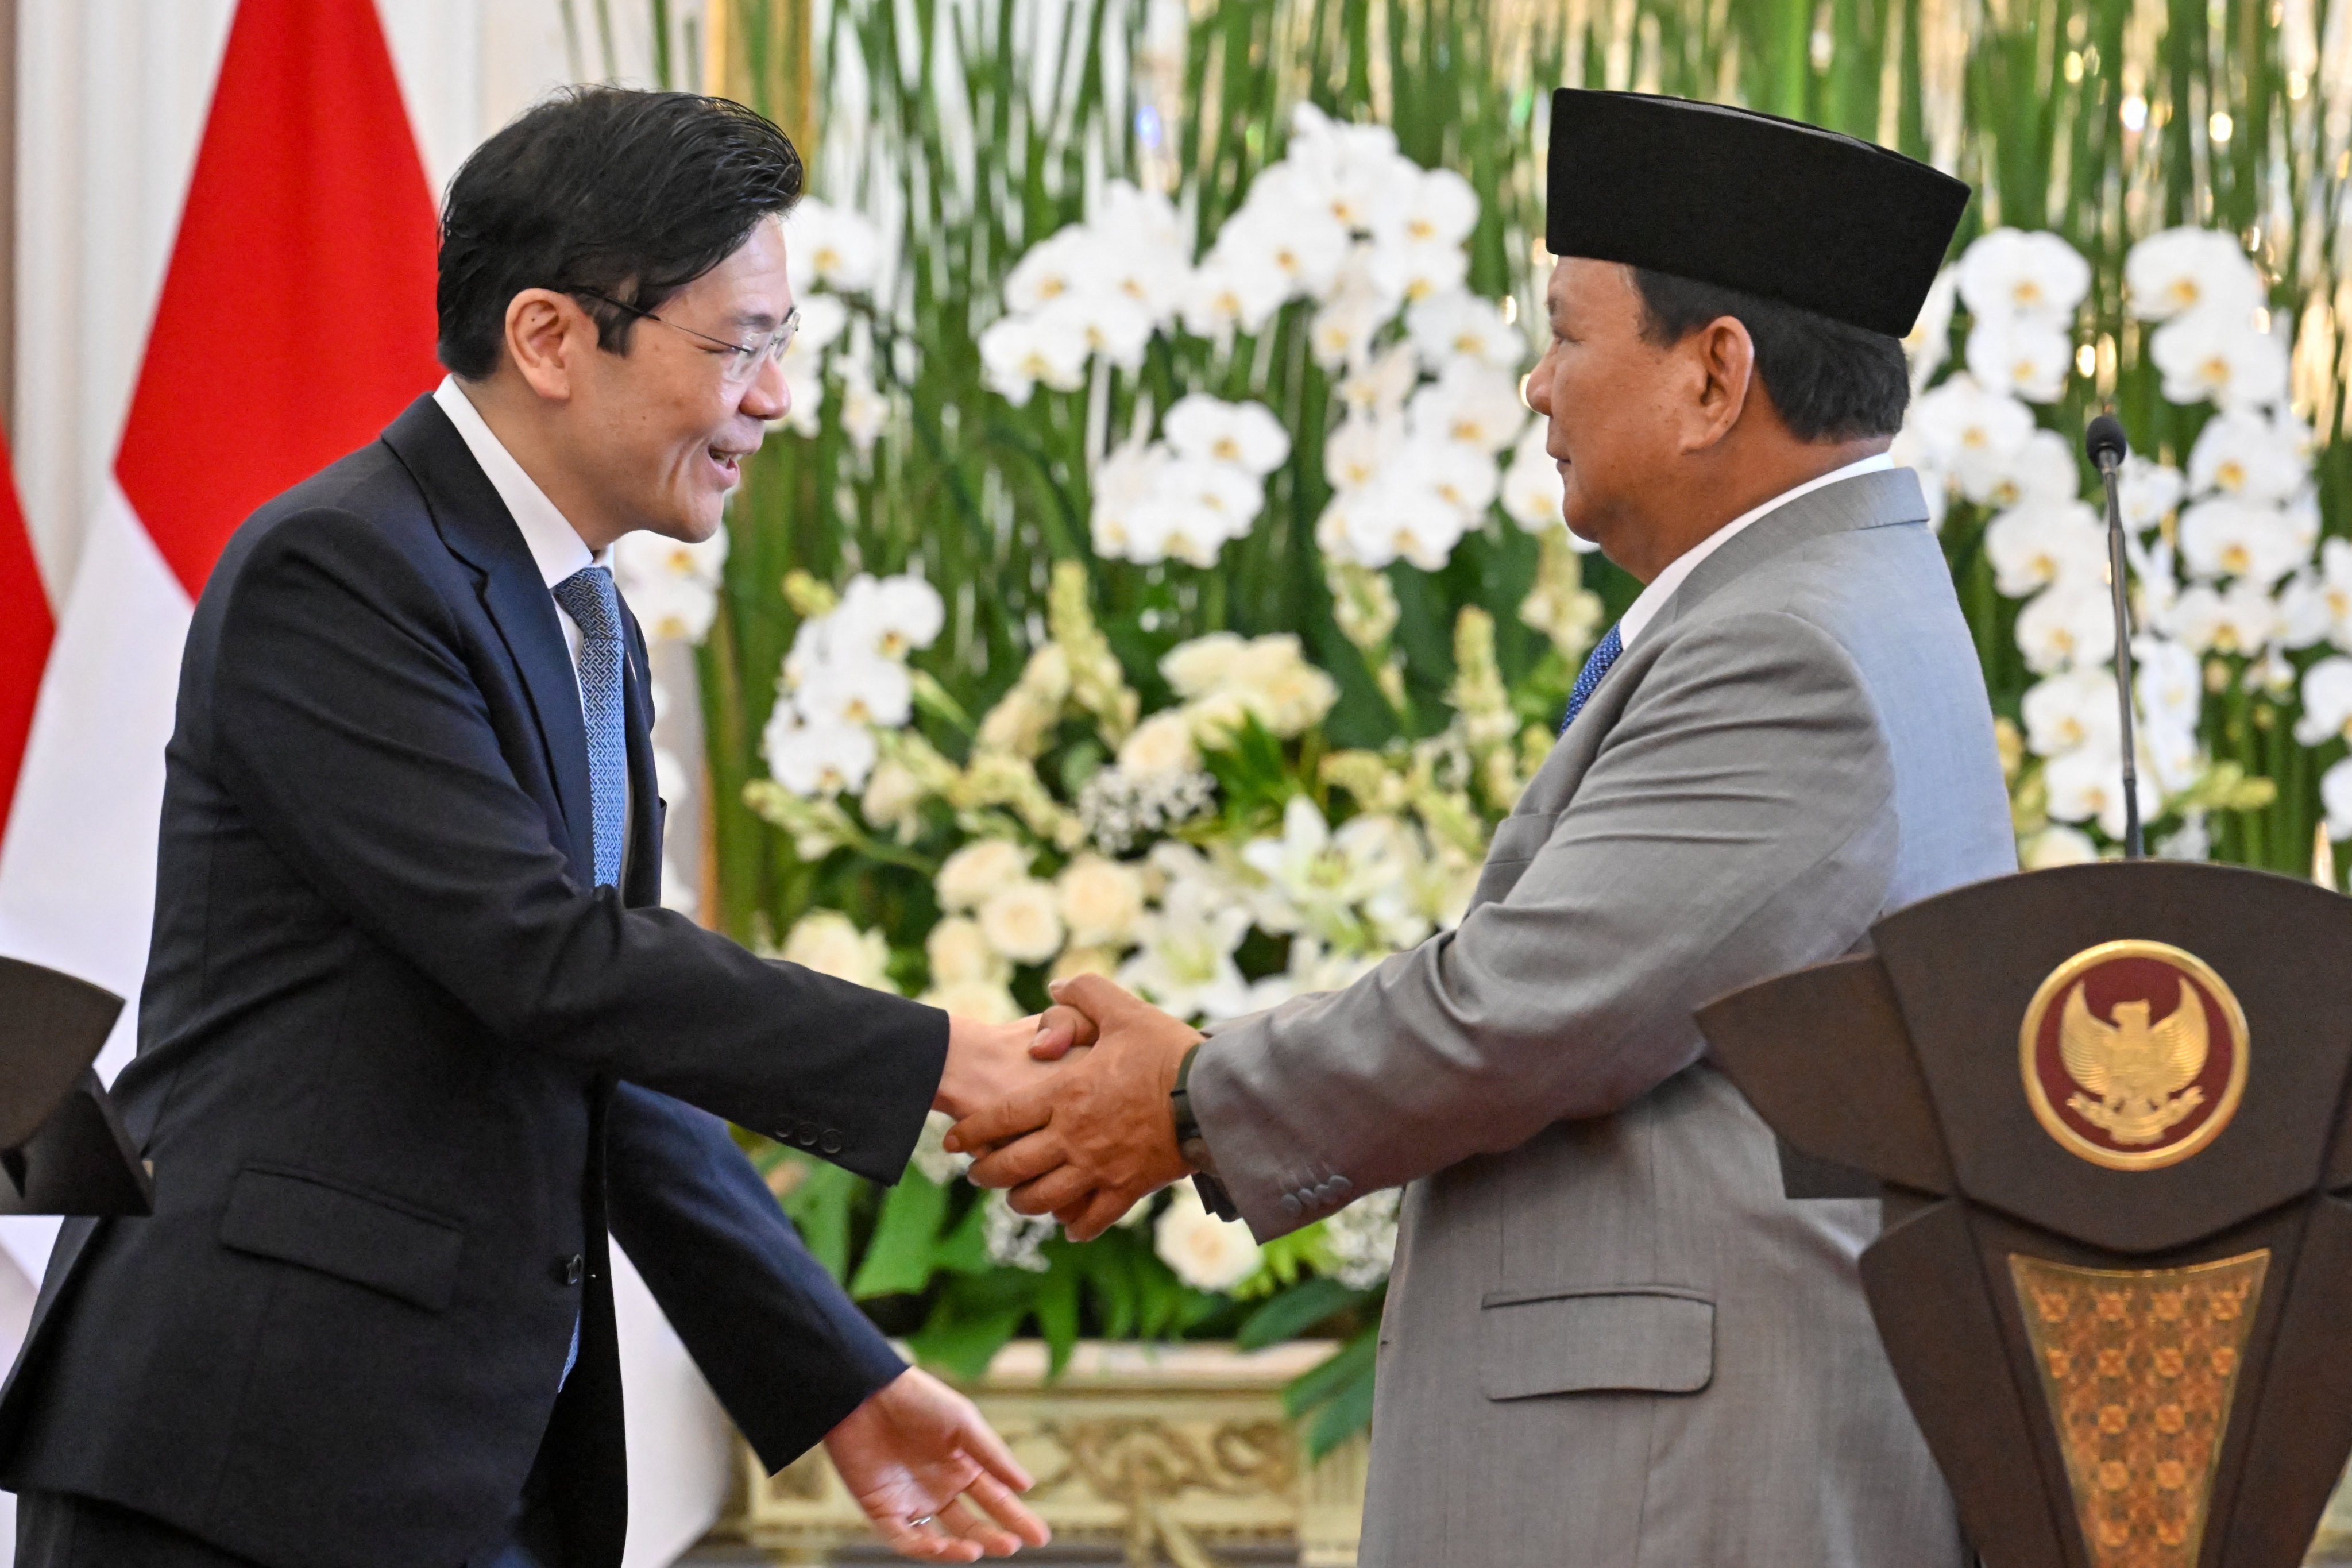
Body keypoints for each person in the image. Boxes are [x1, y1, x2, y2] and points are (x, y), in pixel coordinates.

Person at [953, 90, 2014, 1566]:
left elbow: (1529, 1011)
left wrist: (1190, 1099)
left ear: (1713, 376)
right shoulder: (1840, 598)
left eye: (1567, 337)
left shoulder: (1789, 647)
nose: (1533, 386)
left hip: (1683, 1479)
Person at [0, 88, 1052, 1568]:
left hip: (457, 1464)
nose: (772, 399)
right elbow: (548, 962)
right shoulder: (341, 570)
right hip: (247, 1452)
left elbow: (605, 1059)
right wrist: (942, 1058)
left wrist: (838, 1376)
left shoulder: (578, 615)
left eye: (782, 344)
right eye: (737, 347)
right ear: (552, 338)